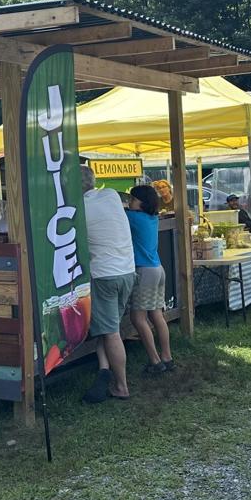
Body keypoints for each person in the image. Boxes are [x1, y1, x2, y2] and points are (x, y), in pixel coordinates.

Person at [80, 162, 135, 404]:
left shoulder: (77, 208)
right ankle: (104, 369)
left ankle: (121, 386)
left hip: (103, 275)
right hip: (127, 272)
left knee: (110, 331)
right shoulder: (111, 195)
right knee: (108, 327)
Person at [125, 184, 174, 377]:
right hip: (157, 269)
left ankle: (155, 361)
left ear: (142, 202)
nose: (129, 202)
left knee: (138, 318)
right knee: (157, 315)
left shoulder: (134, 217)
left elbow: (115, 212)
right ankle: (167, 357)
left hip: (144, 271)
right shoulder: (152, 217)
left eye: (133, 199)